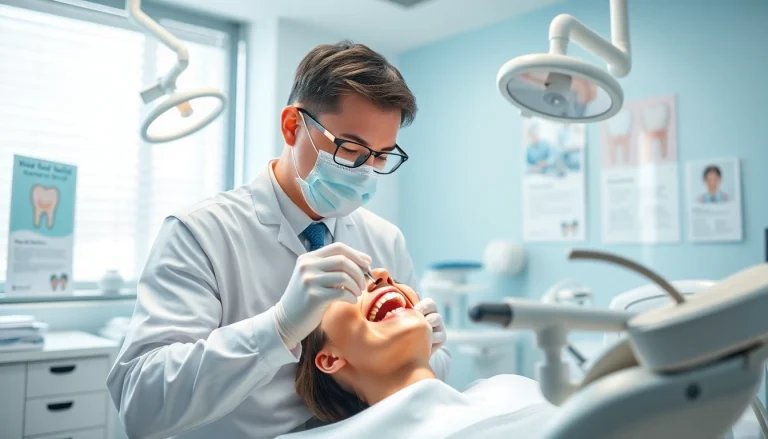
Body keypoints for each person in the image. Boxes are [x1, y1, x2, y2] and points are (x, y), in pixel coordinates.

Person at [106, 41, 451, 439]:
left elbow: (416, 383)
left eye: (379, 157)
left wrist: (428, 347)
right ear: (292, 126)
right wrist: (277, 328)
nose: (364, 171)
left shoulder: (384, 239)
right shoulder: (199, 234)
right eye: (351, 149)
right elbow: (139, 405)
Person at [279, 268, 556, 438]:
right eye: (344, 286)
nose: (382, 274)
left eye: (387, 276)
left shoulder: (510, 388)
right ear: (329, 359)